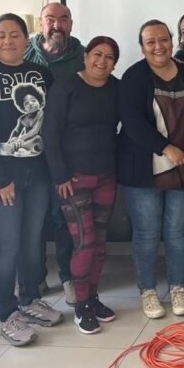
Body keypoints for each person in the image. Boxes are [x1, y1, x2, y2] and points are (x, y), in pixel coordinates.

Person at [0, 14, 62, 348]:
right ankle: (7, 313)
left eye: (15, 34)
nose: (8, 41)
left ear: (26, 38)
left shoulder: (41, 74)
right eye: (1, 35)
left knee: (32, 241)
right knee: (7, 245)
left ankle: (30, 298)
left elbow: (53, 122)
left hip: (37, 173)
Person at [118, 20, 184, 319]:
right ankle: (148, 290)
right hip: (143, 171)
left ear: (172, 41)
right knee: (147, 233)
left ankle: (177, 286)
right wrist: (166, 148)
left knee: (177, 232)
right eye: (150, 42)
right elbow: (132, 122)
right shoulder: (134, 76)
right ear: (142, 47)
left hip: (183, 167)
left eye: (163, 39)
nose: (158, 46)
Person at [43, 36, 121, 334]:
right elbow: (50, 133)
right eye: (97, 54)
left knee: (99, 243)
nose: (102, 61)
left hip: (106, 176)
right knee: (85, 243)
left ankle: (93, 297)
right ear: (86, 56)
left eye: (109, 57)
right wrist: (60, 175)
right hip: (73, 180)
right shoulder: (65, 86)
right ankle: (81, 305)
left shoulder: (116, 88)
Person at [23, 2, 82, 305]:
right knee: (32, 220)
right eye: (50, 19)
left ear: (70, 23)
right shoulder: (22, 54)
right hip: (28, 153)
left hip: (65, 152)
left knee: (63, 219)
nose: (56, 25)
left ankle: (68, 276)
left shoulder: (83, 58)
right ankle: (34, 277)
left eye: (63, 19)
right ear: (40, 23)